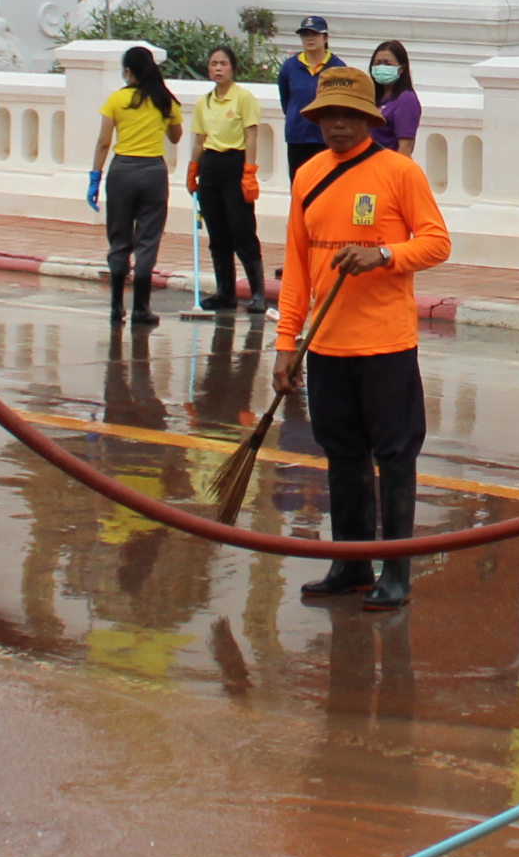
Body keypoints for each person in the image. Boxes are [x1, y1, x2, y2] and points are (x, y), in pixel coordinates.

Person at [278, 61, 452, 610]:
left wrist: (383, 256)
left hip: (385, 343)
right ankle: (349, 563)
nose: (337, 126)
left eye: (348, 115)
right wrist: (287, 344)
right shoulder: (306, 176)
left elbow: (436, 243)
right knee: (341, 454)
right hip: (326, 344)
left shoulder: (399, 173)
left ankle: (395, 571)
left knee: (395, 455)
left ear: (369, 118)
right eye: (328, 115)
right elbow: (297, 267)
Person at [86, 44, 183, 331]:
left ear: (128, 71)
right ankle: (141, 308)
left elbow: (104, 142)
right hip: (153, 171)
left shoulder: (116, 100)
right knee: (147, 240)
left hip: (122, 171)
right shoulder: (164, 99)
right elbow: (176, 137)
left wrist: (95, 177)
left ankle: (117, 306)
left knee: (119, 239)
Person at [187, 43, 267, 313]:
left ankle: (258, 294)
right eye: (213, 64)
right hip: (211, 166)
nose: (218, 68)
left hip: (235, 164)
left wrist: (249, 172)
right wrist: (193, 169)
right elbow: (199, 138)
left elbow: (251, 135)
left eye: (223, 64)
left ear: (233, 68)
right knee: (217, 234)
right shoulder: (204, 102)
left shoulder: (243, 98)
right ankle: (225, 292)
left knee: (242, 231)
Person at [275, 14, 339, 163]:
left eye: (315, 34)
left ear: (325, 38)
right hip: (297, 137)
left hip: (325, 137)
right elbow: (286, 99)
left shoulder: (337, 67)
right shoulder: (290, 67)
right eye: (305, 35)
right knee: (299, 183)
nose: (310, 39)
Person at [370, 37, 422, 151]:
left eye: (388, 64)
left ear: (402, 68)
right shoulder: (371, 97)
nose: (381, 67)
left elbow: (406, 146)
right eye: (377, 63)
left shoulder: (406, 100)